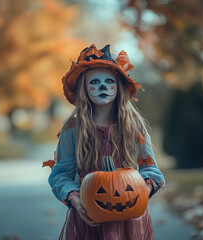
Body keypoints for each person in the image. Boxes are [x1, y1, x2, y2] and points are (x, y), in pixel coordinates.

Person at [43, 44, 165, 239]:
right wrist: (76, 201)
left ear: (118, 87)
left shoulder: (133, 125)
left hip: (130, 220)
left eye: (109, 81)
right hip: (89, 217)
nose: (103, 86)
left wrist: (140, 192)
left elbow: (152, 171)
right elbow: (61, 175)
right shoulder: (73, 128)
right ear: (84, 87)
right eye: (95, 82)